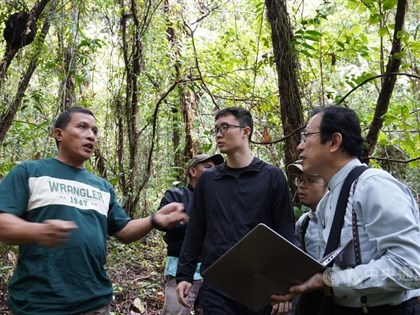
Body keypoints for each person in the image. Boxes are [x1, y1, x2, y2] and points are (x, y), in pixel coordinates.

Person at [0, 107, 189, 315]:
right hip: (39, 303)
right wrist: (38, 232)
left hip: (95, 301)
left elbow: (123, 230)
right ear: (58, 134)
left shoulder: (102, 187)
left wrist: (153, 220)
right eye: (82, 127)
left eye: (94, 131)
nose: (90, 135)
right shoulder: (30, 172)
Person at [271, 106, 420, 314]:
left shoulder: (374, 186)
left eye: (307, 137)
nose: (299, 146)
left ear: (334, 142)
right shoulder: (328, 200)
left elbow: (410, 268)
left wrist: (330, 280)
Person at [175, 106, 295, 315]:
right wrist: (184, 276)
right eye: (216, 129)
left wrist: (283, 283)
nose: (219, 134)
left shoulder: (272, 177)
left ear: (245, 131)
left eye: (225, 127)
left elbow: (284, 232)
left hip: (259, 283)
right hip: (217, 285)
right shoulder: (209, 181)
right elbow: (196, 230)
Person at [158, 153, 224, 315]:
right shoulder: (175, 195)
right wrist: (197, 223)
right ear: (193, 172)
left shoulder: (218, 199)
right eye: (208, 167)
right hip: (180, 268)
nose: (213, 171)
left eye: (215, 168)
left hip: (212, 271)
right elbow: (164, 222)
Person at [287, 162, 327, 258]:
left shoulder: (344, 216)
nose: (301, 185)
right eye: (300, 180)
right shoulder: (303, 223)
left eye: (310, 180)